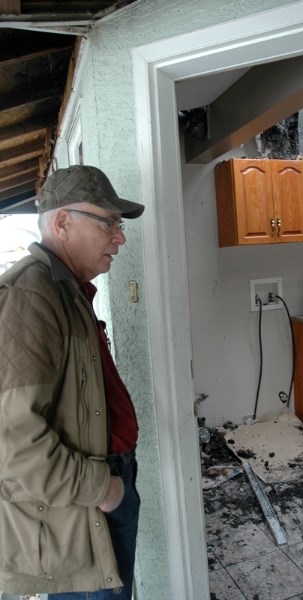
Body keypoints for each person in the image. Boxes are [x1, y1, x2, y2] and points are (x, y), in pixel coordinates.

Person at [0, 165, 145, 600]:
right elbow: (12, 441)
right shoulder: (30, 296)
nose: (119, 238)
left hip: (99, 490)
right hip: (84, 504)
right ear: (62, 223)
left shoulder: (67, 290)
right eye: (110, 223)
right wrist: (105, 489)